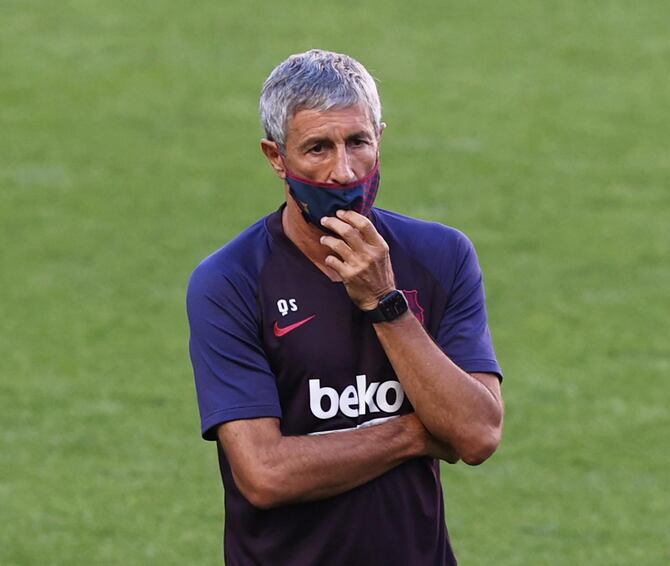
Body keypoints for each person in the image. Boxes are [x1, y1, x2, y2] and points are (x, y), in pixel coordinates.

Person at [187, 49, 504, 566]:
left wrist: (386, 304)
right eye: (317, 148)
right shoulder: (231, 282)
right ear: (276, 157)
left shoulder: (442, 256)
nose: (343, 171)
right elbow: (266, 474)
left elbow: (476, 434)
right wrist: (414, 431)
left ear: (381, 138)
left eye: (358, 141)